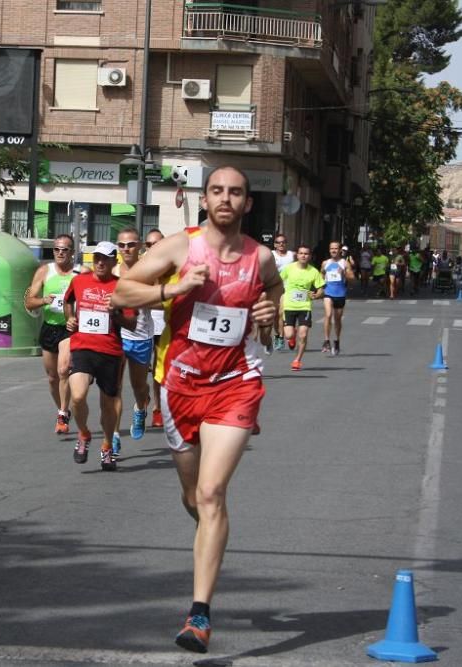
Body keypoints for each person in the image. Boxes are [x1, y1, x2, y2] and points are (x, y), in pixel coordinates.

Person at [112, 166, 281, 653]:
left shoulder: (261, 257)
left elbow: (273, 293)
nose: (226, 199)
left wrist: (270, 312)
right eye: (217, 191)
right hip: (180, 385)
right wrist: (173, 289)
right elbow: (123, 291)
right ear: (205, 200)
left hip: (236, 384)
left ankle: (199, 616)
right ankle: (213, 534)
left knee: (211, 494)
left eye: (236, 192)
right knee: (194, 498)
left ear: (248, 203)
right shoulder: (179, 249)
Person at [63, 241, 137, 471]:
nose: (100, 263)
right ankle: (84, 434)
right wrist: (71, 319)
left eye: (105, 259)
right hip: (83, 347)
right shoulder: (79, 281)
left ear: (114, 261)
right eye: (96, 258)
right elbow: (68, 301)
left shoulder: (122, 287)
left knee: (107, 406)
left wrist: (115, 314)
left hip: (110, 352)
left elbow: (132, 324)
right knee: (77, 396)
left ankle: (106, 445)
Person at [25, 233, 83, 434]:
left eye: (64, 249)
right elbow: (29, 302)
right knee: (52, 378)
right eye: (56, 249)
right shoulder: (44, 271)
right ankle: (63, 410)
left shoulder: (80, 273)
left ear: (72, 252)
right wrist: (44, 301)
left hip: (70, 329)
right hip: (50, 327)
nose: (60, 253)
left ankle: (62, 413)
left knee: (63, 370)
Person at [114, 228, 154, 449]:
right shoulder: (111, 271)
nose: (126, 249)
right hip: (116, 337)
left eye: (130, 245)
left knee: (139, 386)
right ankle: (114, 436)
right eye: (121, 245)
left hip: (141, 337)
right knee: (115, 388)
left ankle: (140, 408)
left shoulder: (148, 271)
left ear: (139, 246)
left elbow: (162, 299)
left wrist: (139, 298)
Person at [280, 245, 325, 370]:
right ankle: (292, 337)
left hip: (304, 306)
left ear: (309, 256)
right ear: (297, 255)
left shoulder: (313, 271)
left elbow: (320, 288)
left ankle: (297, 360)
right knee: (288, 335)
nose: (303, 256)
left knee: (303, 334)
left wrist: (316, 295)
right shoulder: (289, 268)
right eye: (301, 253)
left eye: (306, 253)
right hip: (289, 305)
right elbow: (277, 281)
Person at [145, 229, 167, 429]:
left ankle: (157, 409)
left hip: (164, 325)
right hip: (141, 327)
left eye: (157, 244)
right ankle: (142, 397)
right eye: (149, 245)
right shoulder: (140, 267)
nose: (153, 248)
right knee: (141, 371)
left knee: (159, 371)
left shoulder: (172, 266)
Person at [320, 241, 354, 356]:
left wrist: (344, 273)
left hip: (340, 294)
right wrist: (321, 286)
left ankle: (337, 341)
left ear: (340, 250)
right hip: (328, 293)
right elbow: (321, 276)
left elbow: (352, 278)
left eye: (336, 248)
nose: (333, 250)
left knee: (337, 319)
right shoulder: (325, 263)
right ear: (329, 250)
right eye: (331, 249)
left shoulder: (345, 263)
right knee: (328, 315)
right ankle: (326, 341)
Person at [270, 234, 294, 351]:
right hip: (274, 288)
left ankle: (281, 338)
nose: (281, 244)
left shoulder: (292, 255)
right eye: (278, 242)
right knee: (274, 315)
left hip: (287, 288)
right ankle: (277, 334)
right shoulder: (271, 254)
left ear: (286, 243)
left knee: (281, 313)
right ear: (275, 244)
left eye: (283, 242)